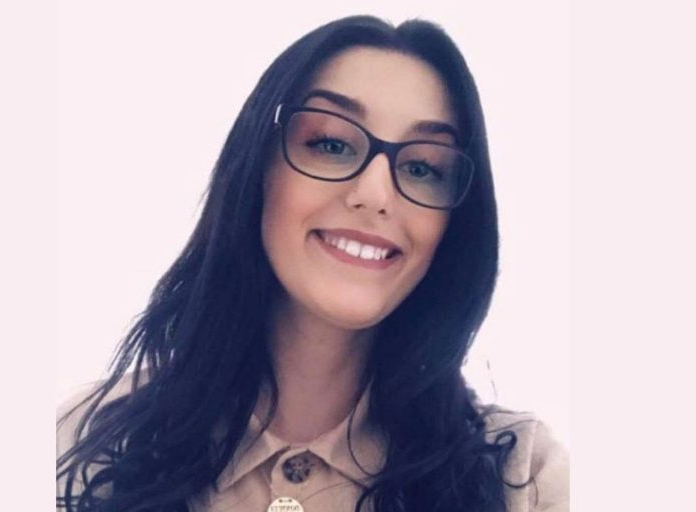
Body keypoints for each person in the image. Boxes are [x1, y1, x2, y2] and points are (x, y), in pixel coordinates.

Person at [57, 15, 569, 512]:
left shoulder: (526, 479)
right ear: (258, 167)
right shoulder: (78, 444)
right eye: (331, 143)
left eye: (422, 167)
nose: (376, 195)